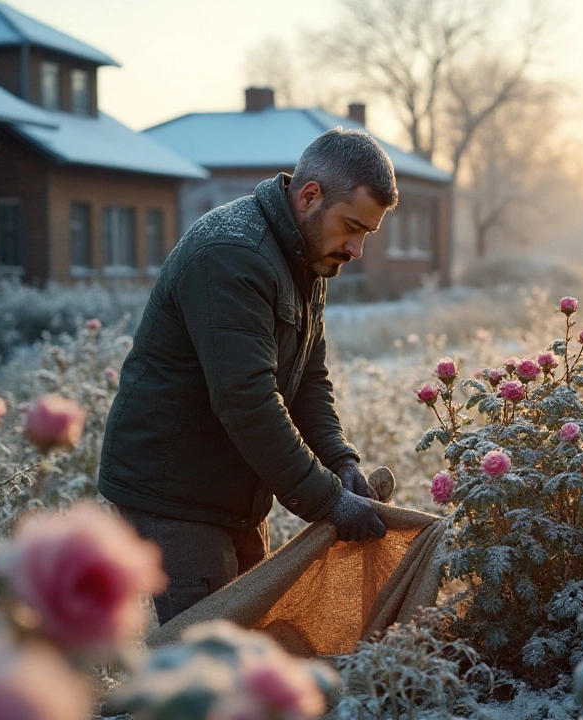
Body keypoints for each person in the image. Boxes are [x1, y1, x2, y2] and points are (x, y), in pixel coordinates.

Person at [97, 128, 393, 624]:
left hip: (233, 498)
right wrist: (329, 502)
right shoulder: (232, 256)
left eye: (367, 233)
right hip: (175, 502)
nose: (357, 249)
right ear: (310, 196)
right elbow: (248, 401)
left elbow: (308, 380)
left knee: (250, 650)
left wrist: (341, 462)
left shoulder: (305, 256)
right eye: (352, 227)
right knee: (209, 670)